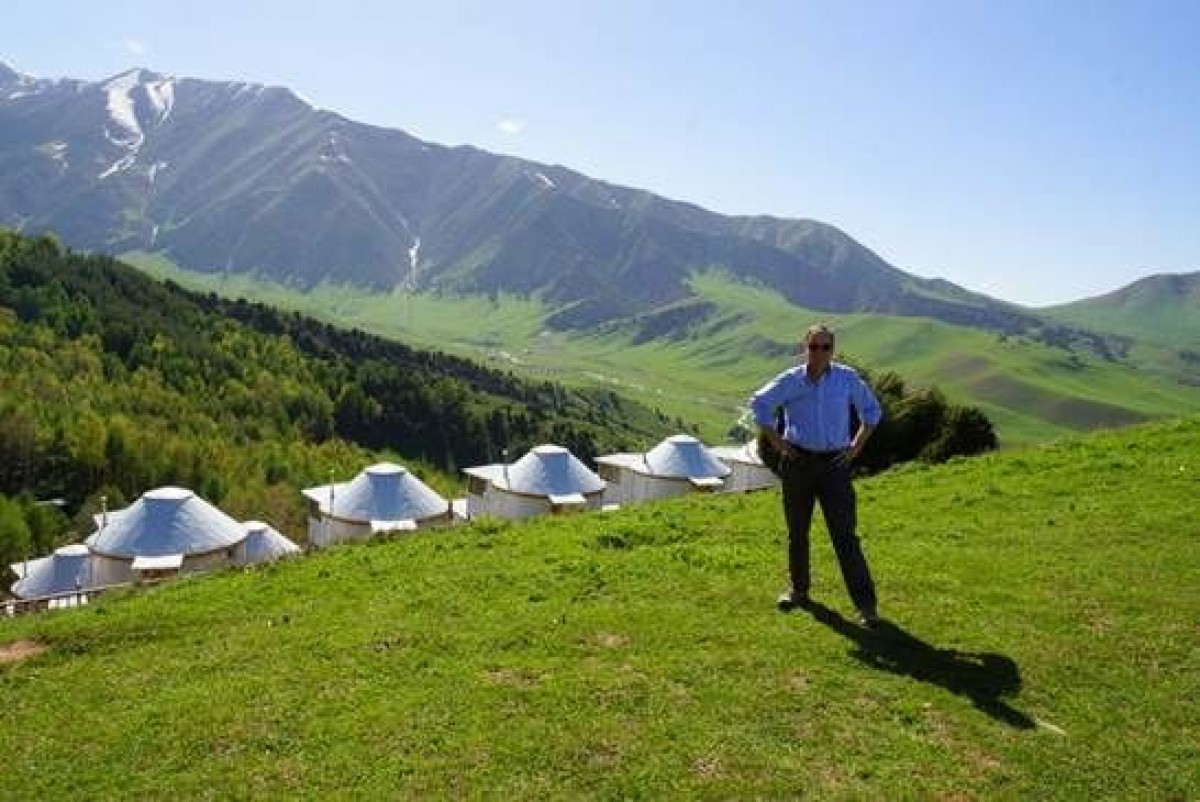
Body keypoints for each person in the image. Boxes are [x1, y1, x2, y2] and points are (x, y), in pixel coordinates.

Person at [749, 323, 883, 626]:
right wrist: (777, 441)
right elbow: (759, 404)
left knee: (845, 536)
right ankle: (798, 591)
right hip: (797, 465)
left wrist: (856, 446)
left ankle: (866, 607)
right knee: (797, 533)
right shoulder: (791, 380)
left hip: (835, 466)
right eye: (813, 346)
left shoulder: (846, 378)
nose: (819, 352)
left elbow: (872, 411)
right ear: (804, 347)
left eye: (825, 347)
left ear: (833, 350)